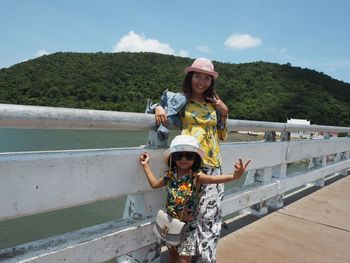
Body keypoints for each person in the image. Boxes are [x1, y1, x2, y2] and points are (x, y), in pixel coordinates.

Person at [153, 57, 229, 262]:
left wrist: (224, 113)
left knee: (210, 217)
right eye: (198, 76)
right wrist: (157, 108)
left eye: (207, 78)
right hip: (188, 164)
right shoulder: (181, 99)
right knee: (185, 214)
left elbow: (221, 135)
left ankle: (206, 259)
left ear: (211, 81)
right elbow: (161, 107)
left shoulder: (214, 103)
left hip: (212, 165)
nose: (202, 81)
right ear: (190, 77)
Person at [139, 135, 250, 263]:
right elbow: (154, 184)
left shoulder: (197, 176)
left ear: (195, 158)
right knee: (173, 255)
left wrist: (235, 176)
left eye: (189, 156)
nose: (183, 159)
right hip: (170, 223)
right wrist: (145, 165)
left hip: (189, 228)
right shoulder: (170, 175)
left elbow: (215, 179)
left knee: (185, 259)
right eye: (179, 155)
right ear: (172, 158)